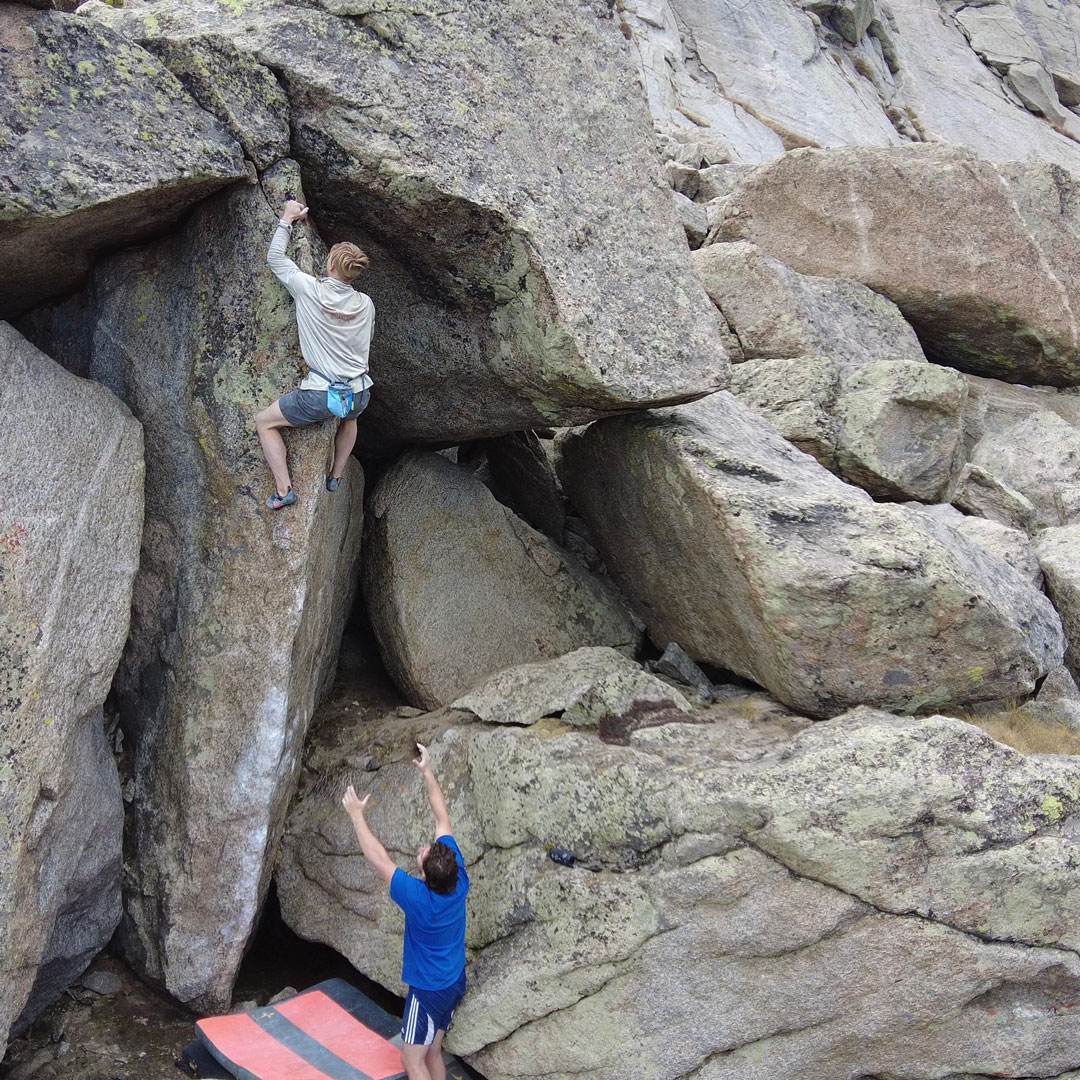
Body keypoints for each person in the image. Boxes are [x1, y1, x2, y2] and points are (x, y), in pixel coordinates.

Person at [341, 744, 469, 1080]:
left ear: (425, 876)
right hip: (454, 981)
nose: (425, 848)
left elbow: (379, 858)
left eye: (425, 854)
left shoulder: (417, 898)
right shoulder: (460, 879)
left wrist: (356, 815)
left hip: (427, 991)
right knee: (434, 1051)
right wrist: (428, 771)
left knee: (411, 1061)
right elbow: (442, 816)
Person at [255, 198, 375, 510]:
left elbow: (275, 259)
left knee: (264, 422)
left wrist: (286, 218)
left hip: (321, 395)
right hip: (360, 391)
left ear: (330, 265)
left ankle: (284, 491)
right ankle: (335, 475)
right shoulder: (366, 304)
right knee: (351, 417)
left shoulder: (310, 289)